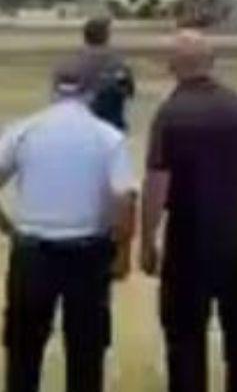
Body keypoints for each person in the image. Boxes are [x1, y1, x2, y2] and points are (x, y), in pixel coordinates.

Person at [140, 31, 237, 392]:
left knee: (185, 335)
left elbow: (158, 180)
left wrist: (148, 239)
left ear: (173, 67)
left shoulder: (170, 114)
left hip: (187, 238)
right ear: (212, 62)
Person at [0, 62, 137, 392]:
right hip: (88, 254)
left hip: (32, 251)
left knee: (23, 350)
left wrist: (7, 227)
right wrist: (122, 254)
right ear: (91, 93)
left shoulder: (24, 130)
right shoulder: (108, 137)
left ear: (52, 89)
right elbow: (124, 199)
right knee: (86, 350)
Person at [74, 17, 136, 132]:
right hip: (112, 126)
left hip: (83, 126)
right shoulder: (118, 63)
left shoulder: (73, 63)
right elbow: (129, 92)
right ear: (105, 36)